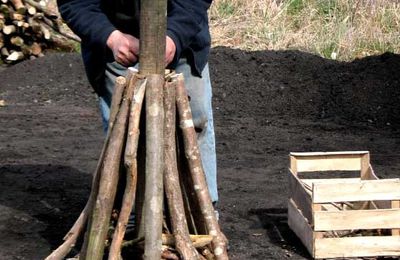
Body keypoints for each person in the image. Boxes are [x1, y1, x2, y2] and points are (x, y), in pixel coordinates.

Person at [57, 0, 218, 203]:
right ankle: (131, 216)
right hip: (114, 44)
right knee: (123, 133)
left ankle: (202, 212)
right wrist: (111, 38)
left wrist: (174, 36)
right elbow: (74, 2)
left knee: (192, 126)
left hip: (183, 35)